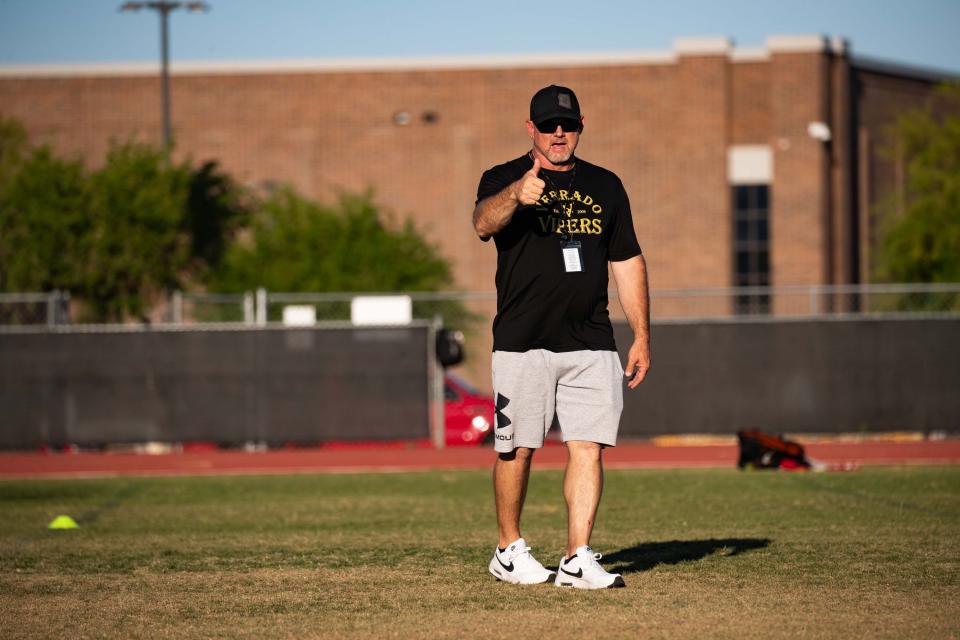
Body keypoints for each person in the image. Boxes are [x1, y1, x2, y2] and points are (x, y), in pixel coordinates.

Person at [472, 85, 651, 590]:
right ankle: (508, 549)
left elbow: (627, 260)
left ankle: (577, 558)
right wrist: (516, 195)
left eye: (567, 125)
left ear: (580, 127)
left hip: (591, 340)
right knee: (516, 449)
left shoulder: (606, 186)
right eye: (548, 125)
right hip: (521, 339)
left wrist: (641, 335)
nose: (558, 133)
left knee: (588, 446)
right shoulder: (503, 177)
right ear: (530, 128)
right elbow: (482, 224)